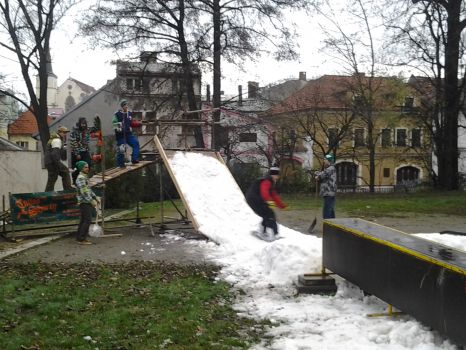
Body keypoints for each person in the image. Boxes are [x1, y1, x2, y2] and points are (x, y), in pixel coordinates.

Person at [245, 166, 287, 238]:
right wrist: (272, 205)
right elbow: (265, 195)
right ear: (273, 175)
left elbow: (274, 195)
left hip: (256, 200)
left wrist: (282, 205)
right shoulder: (266, 181)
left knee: (267, 214)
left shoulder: (270, 182)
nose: (278, 177)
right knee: (270, 215)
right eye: (277, 175)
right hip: (254, 200)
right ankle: (275, 234)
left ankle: (261, 231)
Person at [75, 160, 99, 245]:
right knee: (87, 220)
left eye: (88, 167)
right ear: (81, 168)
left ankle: (79, 237)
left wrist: (95, 197)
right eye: (85, 167)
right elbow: (84, 192)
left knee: (83, 220)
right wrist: (91, 200)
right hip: (84, 202)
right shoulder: (81, 178)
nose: (87, 168)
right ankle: (82, 239)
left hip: (86, 201)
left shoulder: (84, 177)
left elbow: (89, 189)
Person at [112, 99, 141, 168]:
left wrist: (138, 124)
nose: (126, 106)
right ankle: (121, 164)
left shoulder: (129, 114)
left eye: (127, 105)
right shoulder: (117, 114)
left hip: (128, 134)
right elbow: (114, 123)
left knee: (135, 143)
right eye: (125, 105)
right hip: (120, 135)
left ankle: (134, 158)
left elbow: (131, 123)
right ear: (122, 106)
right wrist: (119, 127)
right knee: (122, 149)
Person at [44, 125, 73, 192]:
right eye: (64, 132)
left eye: (66, 133)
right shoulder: (57, 140)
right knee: (65, 171)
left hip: (49, 162)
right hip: (52, 162)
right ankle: (67, 189)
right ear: (59, 132)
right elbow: (54, 154)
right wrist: (58, 164)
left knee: (53, 177)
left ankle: (48, 192)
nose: (65, 134)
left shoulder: (55, 139)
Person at [69, 117, 96, 184]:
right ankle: (75, 182)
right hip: (76, 152)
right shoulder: (75, 131)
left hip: (85, 151)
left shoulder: (87, 130)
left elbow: (95, 128)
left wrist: (97, 119)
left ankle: (84, 178)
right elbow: (73, 143)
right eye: (82, 124)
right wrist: (77, 153)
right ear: (79, 124)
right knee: (76, 168)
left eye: (84, 124)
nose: (83, 125)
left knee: (87, 164)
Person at [315, 154, 337, 219]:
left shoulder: (330, 168)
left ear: (329, 161)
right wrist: (318, 174)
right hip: (330, 192)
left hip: (329, 192)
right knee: (330, 210)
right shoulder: (330, 168)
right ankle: (333, 225)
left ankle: (327, 226)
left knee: (327, 211)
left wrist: (318, 176)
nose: (324, 161)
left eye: (325, 160)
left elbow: (322, 175)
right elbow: (323, 173)